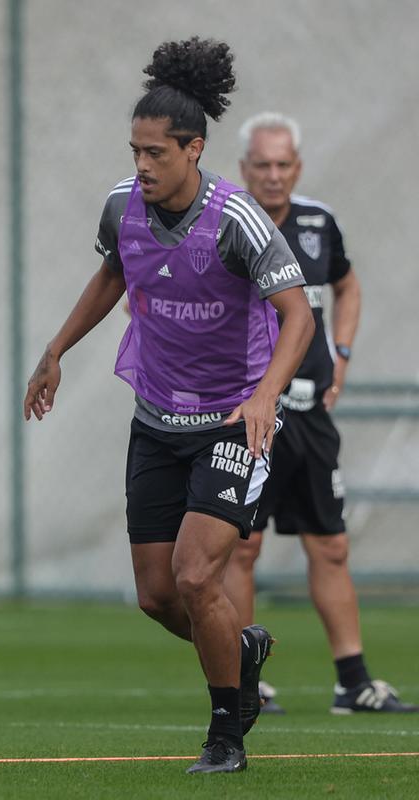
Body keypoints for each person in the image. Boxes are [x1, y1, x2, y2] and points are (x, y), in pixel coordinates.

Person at [23, 37, 314, 774]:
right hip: (155, 420)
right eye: (135, 151)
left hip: (232, 423)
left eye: (156, 152)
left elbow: (299, 314)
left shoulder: (238, 219)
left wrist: (264, 396)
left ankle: (226, 738)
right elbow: (113, 275)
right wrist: (56, 350)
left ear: (194, 148)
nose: (141, 166)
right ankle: (242, 648)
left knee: (194, 574)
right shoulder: (122, 208)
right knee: (158, 597)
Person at [222, 112, 416, 715]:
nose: (274, 175)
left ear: (297, 167)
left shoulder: (317, 221)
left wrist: (345, 354)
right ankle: (245, 679)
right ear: (243, 168)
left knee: (330, 546)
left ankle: (352, 683)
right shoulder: (224, 225)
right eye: (263, 164)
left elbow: (347, 286)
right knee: (242, 549)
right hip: (253, 413)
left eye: (284, 164)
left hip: (311, 416)